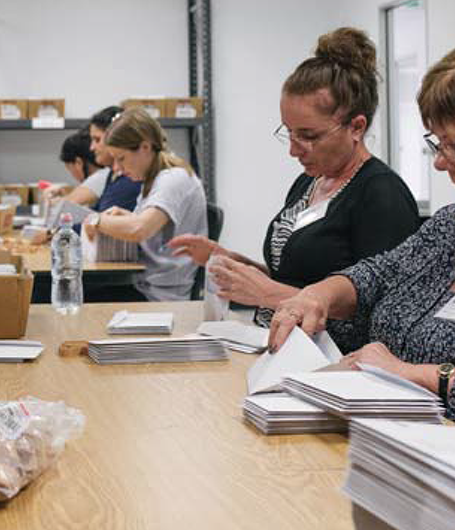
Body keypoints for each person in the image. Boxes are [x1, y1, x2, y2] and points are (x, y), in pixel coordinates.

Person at [268, 34, 455, 461]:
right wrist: (319, 294)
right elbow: (381, 273)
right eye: (436, 144)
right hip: (398, 459)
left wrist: (412, 375)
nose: (441, 162)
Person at [168, 27, 420, 350]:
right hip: (277, 348)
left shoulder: (382, 195)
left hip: (331, 365)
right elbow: (293, 276)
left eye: (309, 136)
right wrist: (230, 260)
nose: (293, 150)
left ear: (356, 127)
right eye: (288, 133)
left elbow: (384, 315)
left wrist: (266, 294)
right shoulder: (309, 182)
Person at [83, 107, 208, 301]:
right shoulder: (155, 178)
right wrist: (128, 216)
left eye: (121, 158)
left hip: (161, 296)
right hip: (146, 285)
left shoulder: (173, 179)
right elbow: (149, 224)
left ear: (145, 147)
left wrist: (94, 220)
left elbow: (140, 229)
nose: (117, 168)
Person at [47, 106, 142, 213]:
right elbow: (97, 215)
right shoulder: (113, 175)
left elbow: (102, 222)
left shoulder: (128, 179)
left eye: (97, 140)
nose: (92, 147)